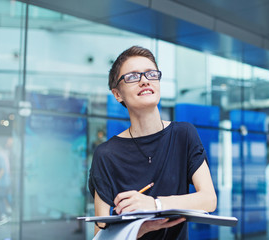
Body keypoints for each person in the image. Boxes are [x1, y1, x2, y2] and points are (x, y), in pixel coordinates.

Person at [88, 46, 217, 239]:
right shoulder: (106, 154)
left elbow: (208, 199)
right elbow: (100, 233)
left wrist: (155, 205)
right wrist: (141, 229)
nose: (144, 80)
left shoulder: (184, 134)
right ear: (117, 94)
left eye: (151, 74)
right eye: (132, 76)